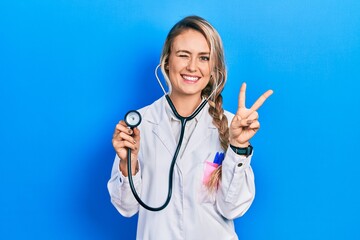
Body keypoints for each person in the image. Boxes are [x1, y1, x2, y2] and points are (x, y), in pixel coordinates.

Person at [108, 15, 273, 240]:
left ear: (214, 68)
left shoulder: (232, 126)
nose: (192, 67)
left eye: (204, 58)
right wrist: (129, 162)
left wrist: (238, 147)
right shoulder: (141, 125)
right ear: (167, 61)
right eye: (183, 55)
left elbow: (233, 208)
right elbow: (126, 208)